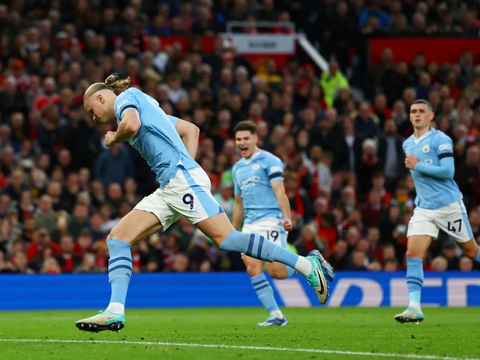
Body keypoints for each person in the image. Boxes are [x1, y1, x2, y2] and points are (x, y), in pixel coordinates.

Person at [76, 74, 332, 333]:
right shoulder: (144, 103)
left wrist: (115, 140)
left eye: (91, 110)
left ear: (100, 97)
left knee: (227, 239)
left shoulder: (127, 100)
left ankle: (305, 265)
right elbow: (190, 130)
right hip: (171, 185)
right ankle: (115, 311)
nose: (93, 117)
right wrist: (186, 167)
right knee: (118, 238)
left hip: (180, 178)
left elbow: (130, 126)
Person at [232, 121, 335, 327]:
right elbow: (238, 202)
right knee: (253, 268)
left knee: (277, 272)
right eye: (238, 139)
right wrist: (233, 230)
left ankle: (311, 260)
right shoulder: (236, 168)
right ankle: (276, 315)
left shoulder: (270, 160)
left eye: (246, 138)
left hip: (271, 220)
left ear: (255, 139)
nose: (242, 143)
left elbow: (280, 190)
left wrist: (287, 216)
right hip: (250, 225)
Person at [395, 99, 480, 324]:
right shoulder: (407, 144)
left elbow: (448, 172)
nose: (417, 115)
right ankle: (414, 307)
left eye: (422, 111)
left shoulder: (441, 139)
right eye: (413, 111)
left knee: (471, 251)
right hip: (424, 208)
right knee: (413, 253)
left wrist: (418, 166)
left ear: (431, 116)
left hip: (449, 206)